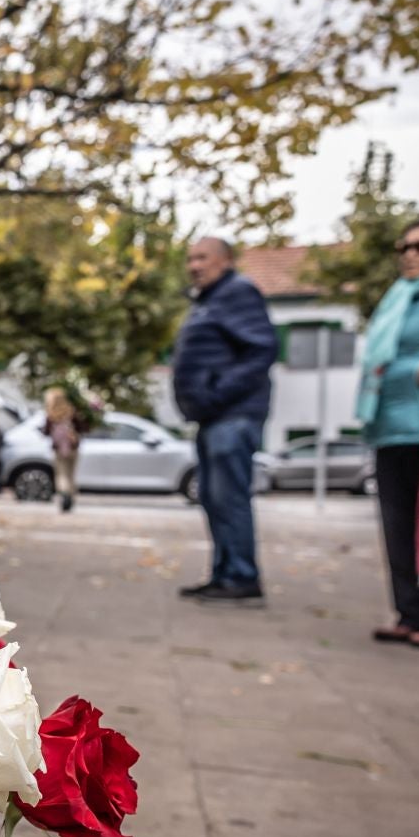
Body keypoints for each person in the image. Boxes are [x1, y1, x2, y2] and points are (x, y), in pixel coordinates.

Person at [359, 215, 419, 650]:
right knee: (397, 521)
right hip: (391, 424)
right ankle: (410, 611)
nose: (411, 255)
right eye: (405, 248)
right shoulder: (400, 296)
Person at [172, 237, 279, 605]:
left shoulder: (237, 292)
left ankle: (242, 577)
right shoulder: (210, 301)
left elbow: (263, 348)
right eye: (190, 259)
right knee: (215, 499)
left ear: (226, 260)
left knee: (229, 498)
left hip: (232, 414)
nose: (194, 265)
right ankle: (225, 574)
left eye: (202, 257)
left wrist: (216, 393)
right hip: (213, 416)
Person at [42, 386, 85, 512]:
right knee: (71, 474)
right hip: (73, 447)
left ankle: (64, 494)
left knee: (61, 474)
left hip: (58, 449)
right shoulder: (71, 411)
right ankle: (70, 496)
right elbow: (82, 427)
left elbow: (46, 431)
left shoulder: (51, 414)